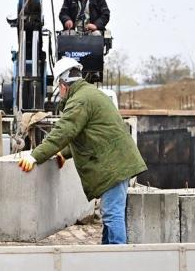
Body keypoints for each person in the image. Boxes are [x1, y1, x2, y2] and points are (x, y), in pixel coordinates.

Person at [18, 57, 147, 244]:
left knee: (112, 215)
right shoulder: (89, 94)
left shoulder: (80, 100)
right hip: (116, 164)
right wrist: (63, 153)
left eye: (58, 89)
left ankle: (119, 258)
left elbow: (63, 132)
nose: (59, 93)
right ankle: (108, 256)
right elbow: (84, 135)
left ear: (63, 85)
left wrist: (34, 156)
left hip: (114, 166)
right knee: (111, 214)